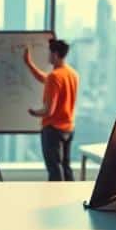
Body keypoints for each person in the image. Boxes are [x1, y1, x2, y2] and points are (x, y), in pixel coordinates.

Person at [24, 39, 79, 181]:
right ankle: (70, 198)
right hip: (68, 128)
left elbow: (49, 110)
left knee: (54, 168)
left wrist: (34, 112)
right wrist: (29, 64)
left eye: (49, 52)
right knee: (65, 166)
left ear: (55, 54)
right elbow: (46, 79)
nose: (48, 55)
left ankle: (57, 199)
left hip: (53, 129)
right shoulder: (71, 74)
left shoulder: (55, 76)